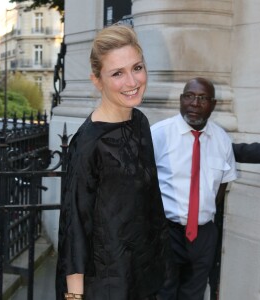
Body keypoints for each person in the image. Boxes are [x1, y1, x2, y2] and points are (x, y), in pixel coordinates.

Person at [55, 24, 170, 300]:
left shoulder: (140, 122)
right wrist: (74, 298)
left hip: (146, 278)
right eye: (117, 73)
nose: (132, 82)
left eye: (137, 68)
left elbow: (149, 206)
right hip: (107, 287)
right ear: (97, 80)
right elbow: (75, 231)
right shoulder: (88, 143)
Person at [151, 77, 238, 300]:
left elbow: (222, 186)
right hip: (167, 232)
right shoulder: (159, 134)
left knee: (194, 294)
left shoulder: (221, 140)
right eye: (189, 96)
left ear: (213, 104)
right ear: (181, 100)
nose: (195, 104)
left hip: (203, 235)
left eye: (202, 98)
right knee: (163, 293)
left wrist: (200, 212)